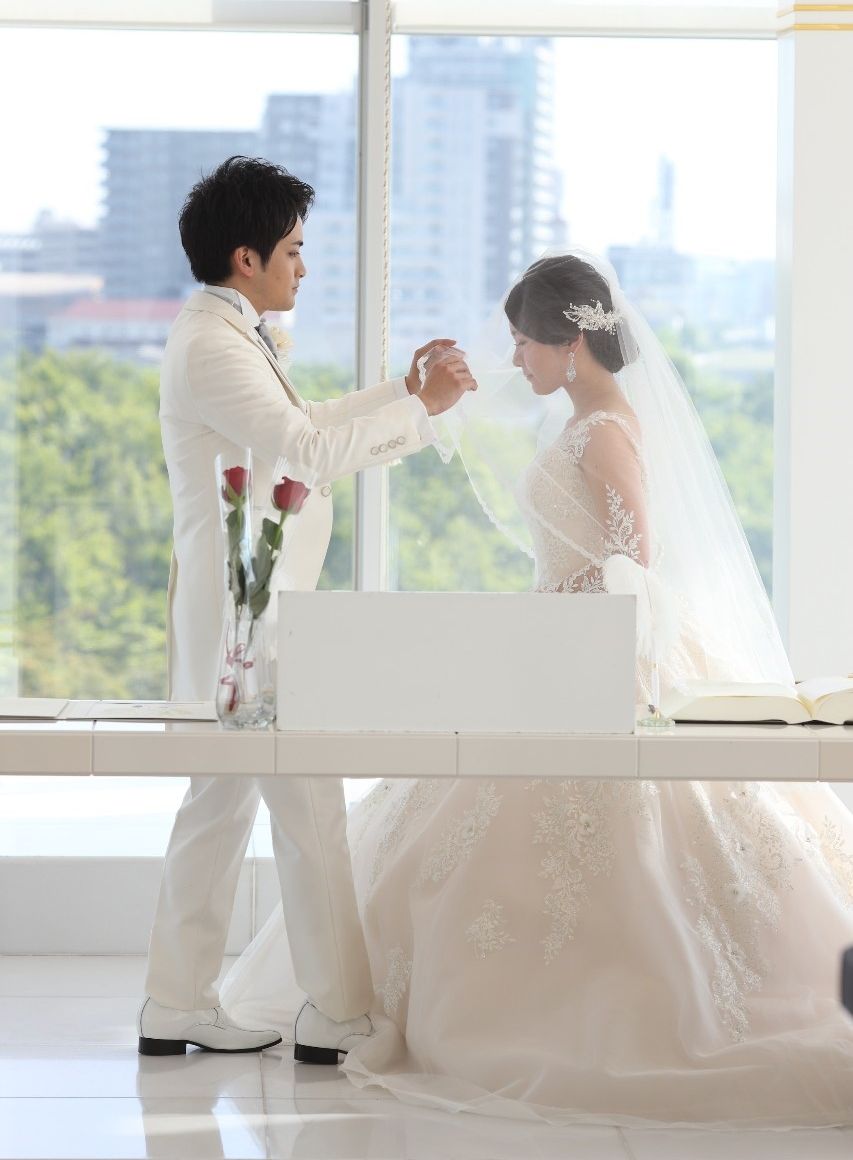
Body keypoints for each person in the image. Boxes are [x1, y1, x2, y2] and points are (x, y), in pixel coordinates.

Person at [220, 252, 853, 1127]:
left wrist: (561, 616)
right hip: (560, 648)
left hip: (598, 653)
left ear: (570, 344)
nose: (515, 358)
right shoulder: (585, 421)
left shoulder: (604, 430)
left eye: (524, 342)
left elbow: (634, 559)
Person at [137, 156, 476, 1061]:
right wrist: (424, 412)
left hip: (244, 615)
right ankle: (335, 1013)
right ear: (244, 259)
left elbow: (304, 419)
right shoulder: (214, 345)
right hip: (252, 622)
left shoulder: (224, 332)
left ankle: (175, 1001)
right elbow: (306, 452)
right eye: (292, 249)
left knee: (221, 807)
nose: (303, 266)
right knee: (309, 801)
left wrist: (405, 394)